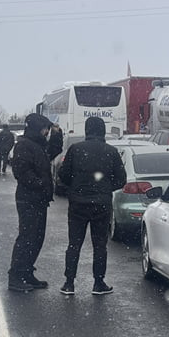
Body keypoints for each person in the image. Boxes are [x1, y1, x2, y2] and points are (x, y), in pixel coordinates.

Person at [56, 116, 127, 296]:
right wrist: (105, 188)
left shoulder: (75, 149)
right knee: (100, 245)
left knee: (74, 244)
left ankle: (69, 283)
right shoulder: (111, 152)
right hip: (101, 204)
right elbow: (121, 179)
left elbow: (63, 174)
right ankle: (98, 282)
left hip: (78, 203)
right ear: (102, 130)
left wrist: (75, 186)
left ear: (87, 130)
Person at [7, 113, 54, 292]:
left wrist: (57, 134)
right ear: (37, 128)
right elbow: (21, 171)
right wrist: (40, 183)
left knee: (37, 238)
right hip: (29, 199)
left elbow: (54, 151)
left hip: (39, 199)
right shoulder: (24, 145)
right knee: (27, 237)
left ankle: (27, 272)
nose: (47, 132)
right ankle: (16, 275)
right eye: (45, 128)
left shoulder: (38, 145)